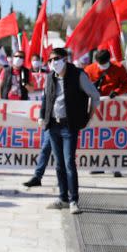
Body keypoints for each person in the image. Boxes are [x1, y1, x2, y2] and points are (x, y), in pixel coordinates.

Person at [40, 47, 101, 214]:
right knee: (59, 164)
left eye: (57, 59)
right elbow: (46, 98)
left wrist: (89, 116)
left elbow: (94, 95)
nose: (54, 62)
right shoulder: (49, 77)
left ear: (65, 59)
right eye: (50, 60)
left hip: (69, 126)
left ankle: (74, 200)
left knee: (69, 163)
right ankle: (63, 198)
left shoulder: (78, 75)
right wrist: (42, 116)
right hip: (53, 125)